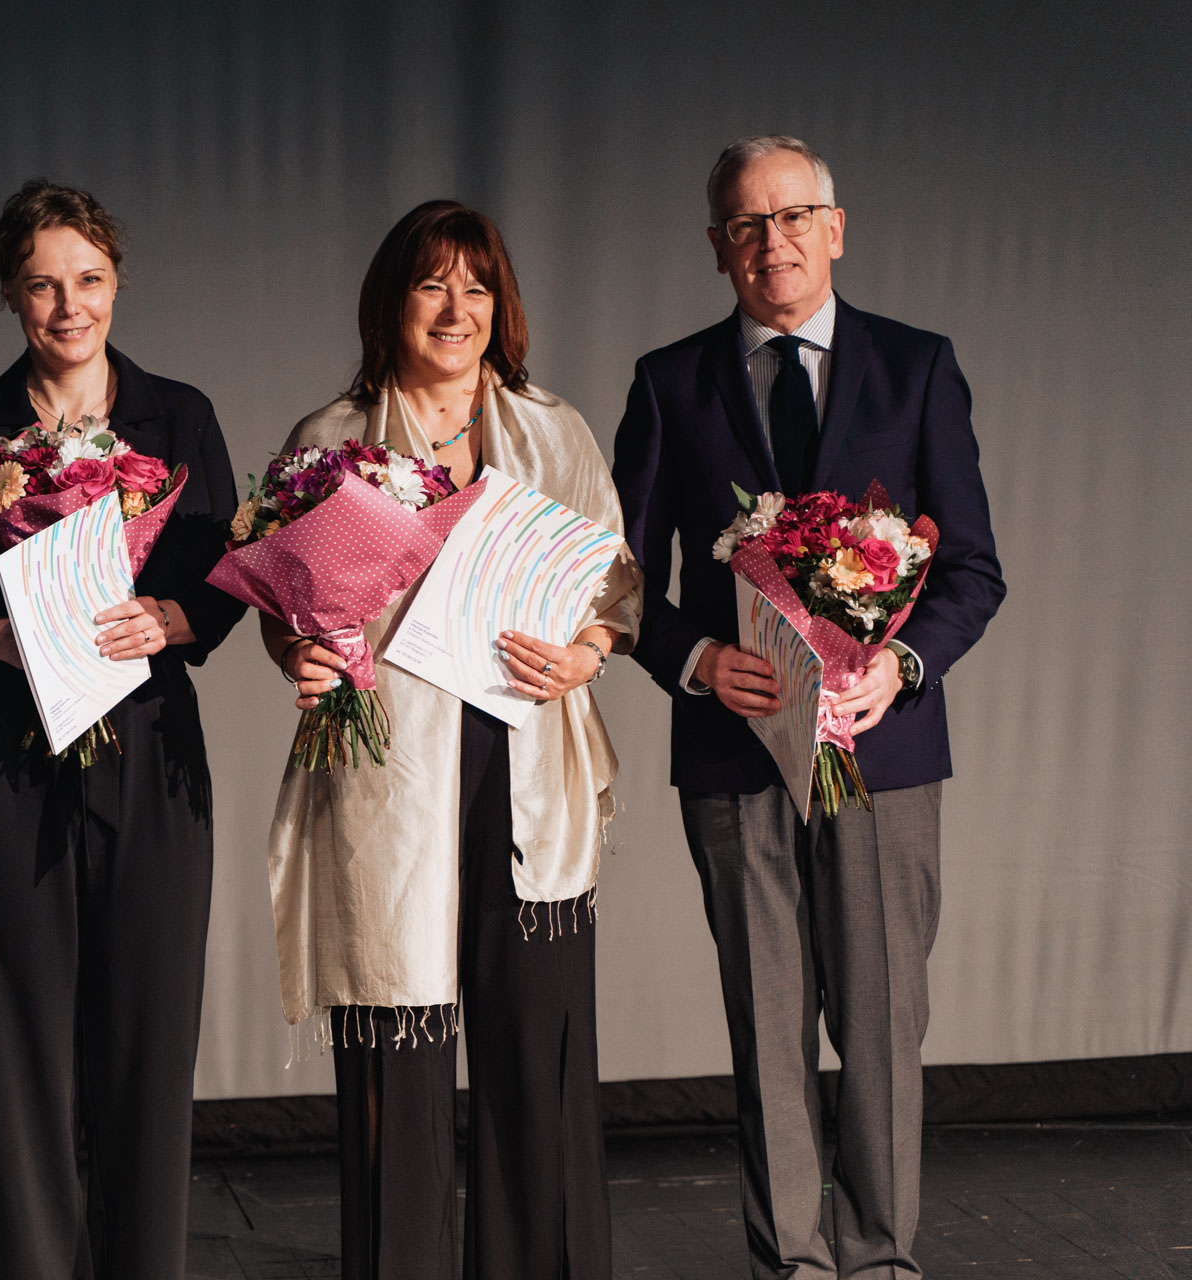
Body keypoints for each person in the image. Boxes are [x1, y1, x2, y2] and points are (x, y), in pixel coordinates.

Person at [611, 136, 1006, 1278]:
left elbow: (972, 568)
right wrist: (697, 661)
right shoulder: (669, 382)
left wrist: (902, 667)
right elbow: (619, 579)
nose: (771, 242)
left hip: (883, 752)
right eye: (747, 224)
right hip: (735, 753)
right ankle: (791, 1264)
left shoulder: (917, 368)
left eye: (792, 218)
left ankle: (880, 1263)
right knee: (767, 1025)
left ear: (835, 228)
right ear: (717, 246)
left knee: (882, 1026)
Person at [265, 200, 642, 1279]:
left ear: (501, 307)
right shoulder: (330, 441)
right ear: (392, 300)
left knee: (540, 1067)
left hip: (527, 764)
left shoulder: (553, 431)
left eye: (477, 287)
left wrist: (589, 652)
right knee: (399, 1061)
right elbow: (287, 608)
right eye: (432, 283)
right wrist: (296, 652)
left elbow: (613, 582)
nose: (455, 308)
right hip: (389, 775)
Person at [0, 179, 245, 1278]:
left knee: (149, 1048)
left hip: (150, 752)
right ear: (10, 294)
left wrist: (171, 617)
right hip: (7, 757)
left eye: (88, 279)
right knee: (22, 1049)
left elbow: (226, 572)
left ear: (117, 282)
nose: (68, 305)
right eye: (41, 284)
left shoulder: (179, 417)